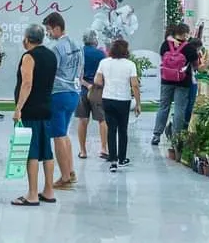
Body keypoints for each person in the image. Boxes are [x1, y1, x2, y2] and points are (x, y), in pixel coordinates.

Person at [11, 24, 58, 206]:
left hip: (31, 109)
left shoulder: (29, 56)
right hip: (46, 107)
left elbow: (27, 83)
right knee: (46, 151)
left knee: (31, 152)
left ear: (26, 39)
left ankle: (32, 194)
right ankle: (48, 190)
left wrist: (18, 108)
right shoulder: (51, 55)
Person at [42, 12, 81, 189]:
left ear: (57, 28)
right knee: (64, 133)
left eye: (49, 30)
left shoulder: (57, 48)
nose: (48, 33)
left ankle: (64, 178)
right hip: (74, 93)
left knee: (57, 136)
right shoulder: (77, 45)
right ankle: (70, 171)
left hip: (58, 94)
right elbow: (80, 70)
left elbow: (49, 72)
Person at [95, 39, 141, 172]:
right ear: (126, 50)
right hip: (123, 100)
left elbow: (97, 80)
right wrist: (138, 103)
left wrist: (108, 85)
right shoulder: (130, 64)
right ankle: (122, 158)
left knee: (111, 129)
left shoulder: (104, 62)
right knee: (122, 129)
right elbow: (135, 85)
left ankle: (113, 160)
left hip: (108, 99)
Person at [152, 23, 200, 145]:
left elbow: (163, 57)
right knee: (179, 108)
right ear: (185, 33)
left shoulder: (165, 44)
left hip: (166, 80)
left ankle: (156, 135)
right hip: (183, 82)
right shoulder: (189, 48)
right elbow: (196, 65)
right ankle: (176, 137)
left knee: (163, 107)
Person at [75, 30, 108, 160]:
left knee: (83, 120)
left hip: (82, 90)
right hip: (98, 90)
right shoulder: (101, 54)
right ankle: (104, 149)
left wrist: (85, 85)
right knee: (102, 119)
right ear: (95, 40)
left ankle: (83, 151)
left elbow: (77, 73)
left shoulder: (79, 53)